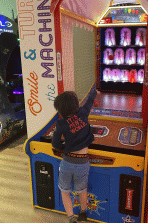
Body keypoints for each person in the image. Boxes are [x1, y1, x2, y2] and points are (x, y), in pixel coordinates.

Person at [51, 84, 98, 223]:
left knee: (65, 191)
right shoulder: (83, 113)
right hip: (83, 162)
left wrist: (63, 147)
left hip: (67, 162)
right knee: (81, 190)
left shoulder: (60, 124)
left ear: (60, 110)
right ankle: (83, 214)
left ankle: (71, 218)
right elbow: (90, 101)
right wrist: (94, 90)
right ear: (76, 105)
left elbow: (55, 144)